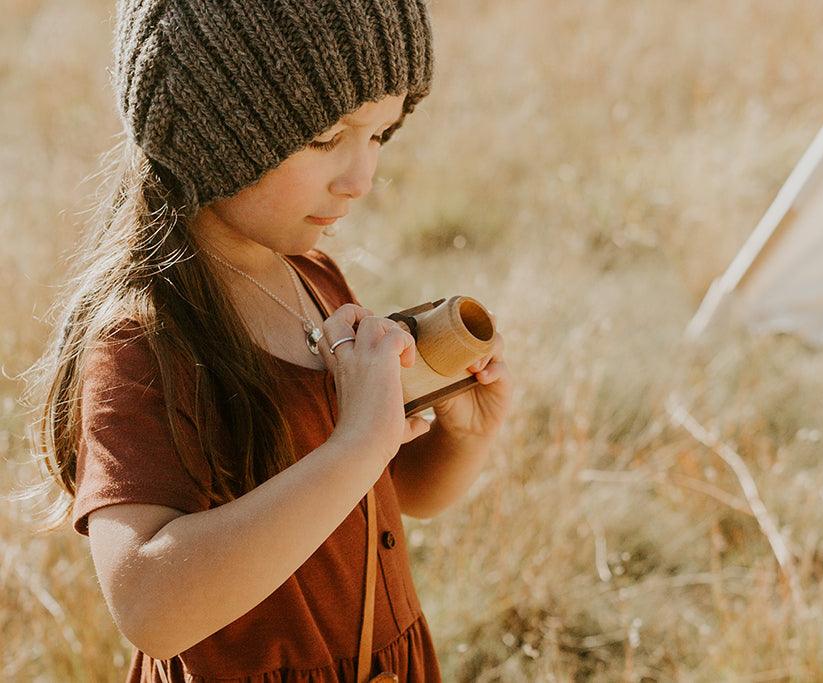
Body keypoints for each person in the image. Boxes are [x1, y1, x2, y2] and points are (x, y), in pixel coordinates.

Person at [26, 0, 512, 681]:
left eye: (380, 135)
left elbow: (387, 492)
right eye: (325, 138)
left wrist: (463, 437)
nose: (361, 177)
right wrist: (358, 443)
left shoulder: (314, 278)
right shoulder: (144, 341)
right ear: (214, 130)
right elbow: (150, 606)